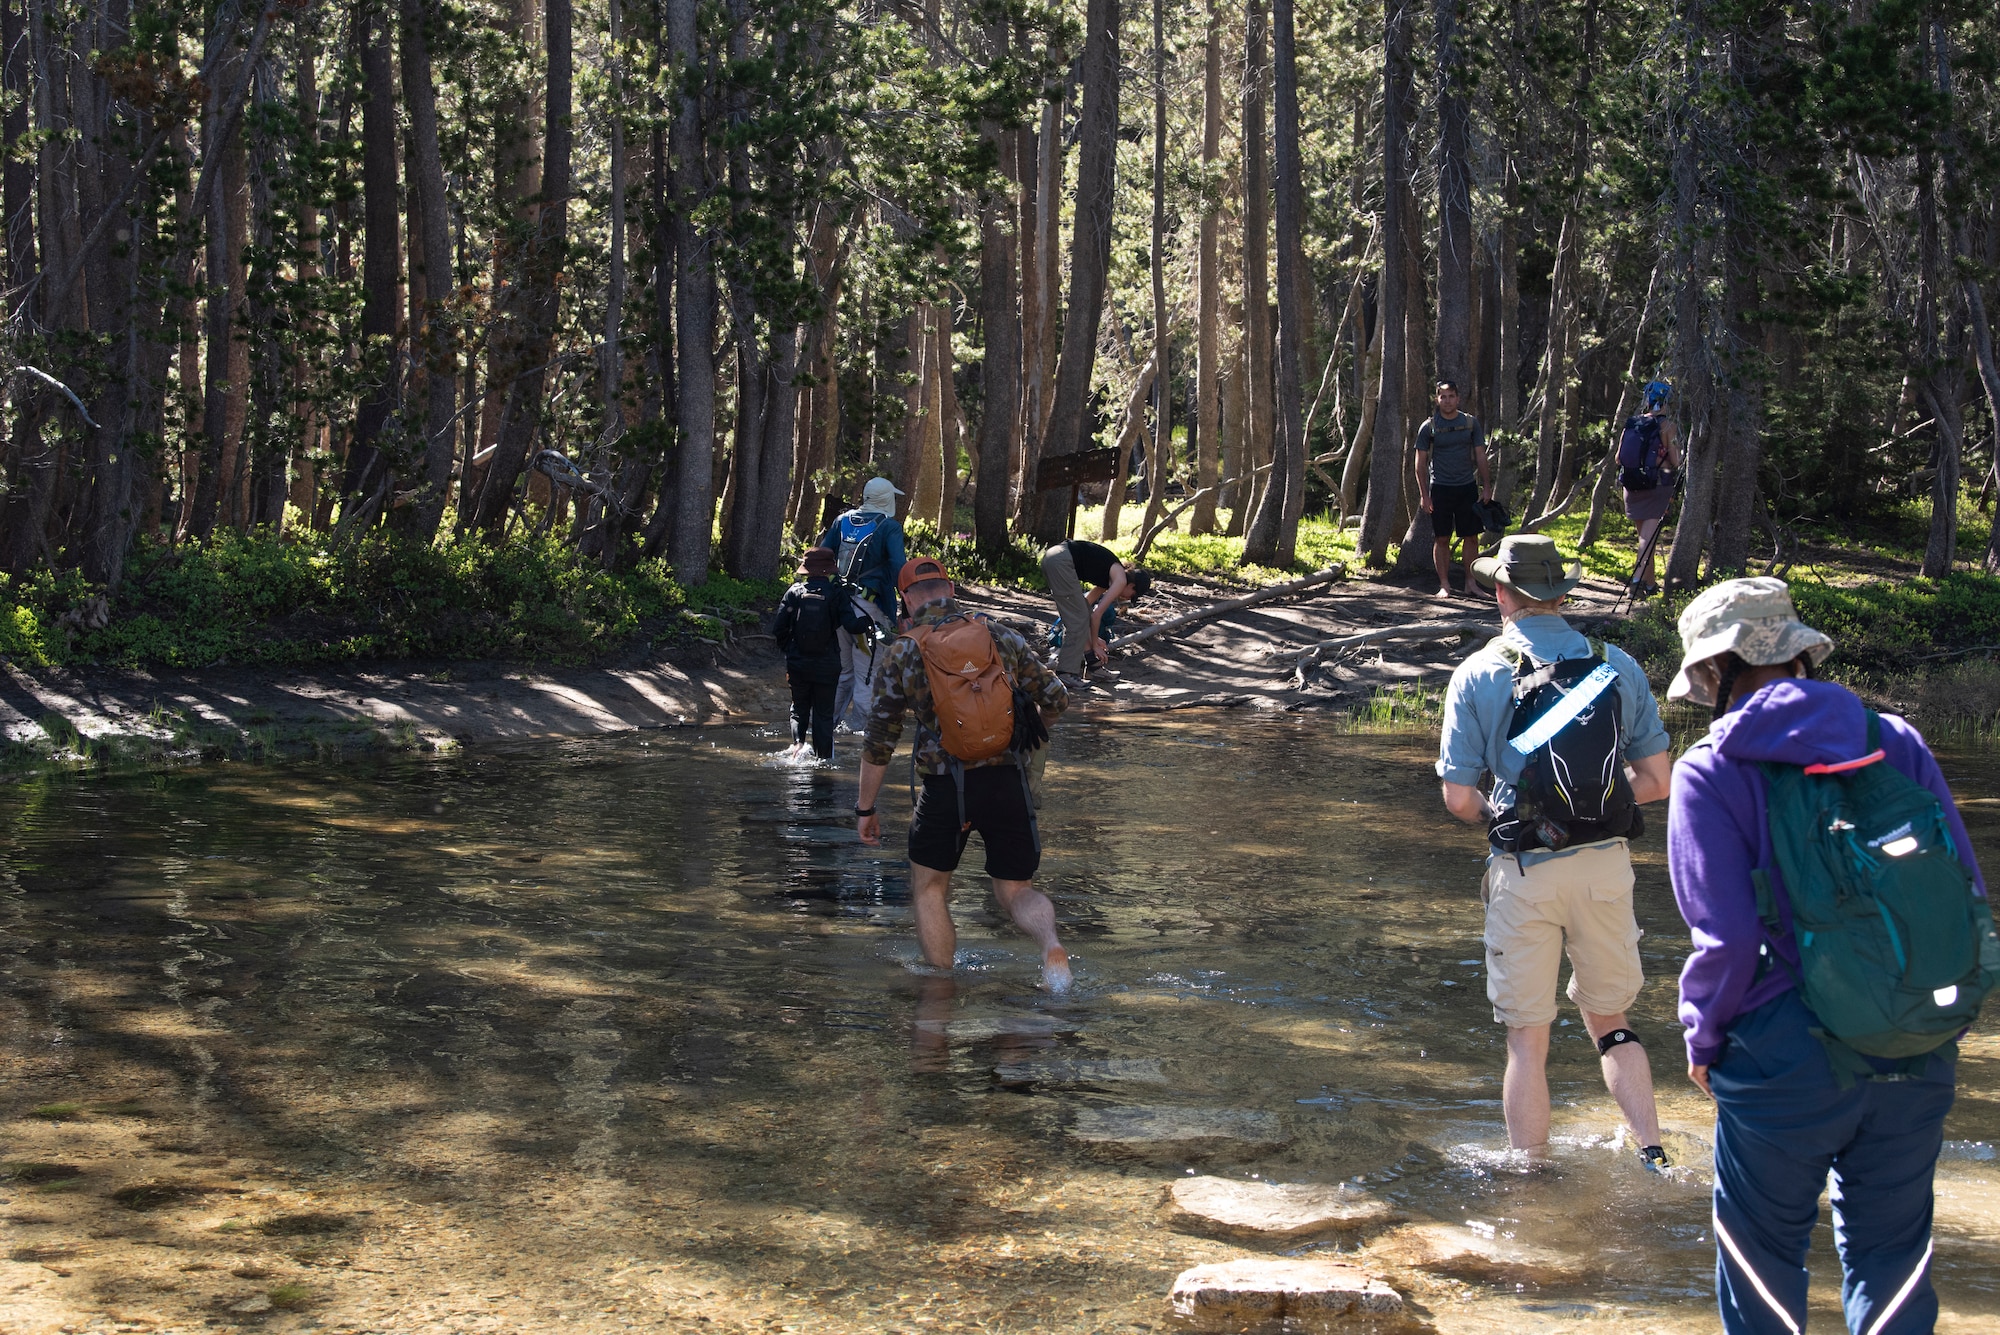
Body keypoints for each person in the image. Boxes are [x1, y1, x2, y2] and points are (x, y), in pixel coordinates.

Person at [1665, 578, 1991, 1335]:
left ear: (1713, 673)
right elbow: (1963, 889)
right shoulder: (1897, 739)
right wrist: (1948, 1014)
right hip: (1914, 1036)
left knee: (1763, 1265)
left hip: (1782, 1050)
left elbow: (1728, 940)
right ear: (1800, 654)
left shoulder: (1710, 770)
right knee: (1894, 1256)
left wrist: (1704, 1038)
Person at [1435, 533, 1674, 1164]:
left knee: (1526, 1040)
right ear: (1562, 593)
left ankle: (1530, 1183)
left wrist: (1518, 819)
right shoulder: (1617, 665)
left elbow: (1459, 800)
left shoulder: (1479, 672)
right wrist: (1588, 811)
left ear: (1501, 592)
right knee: (1612, 1021)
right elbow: (1656, 782)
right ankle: (1653, 1156)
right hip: (1604, 869)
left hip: (1525, 871)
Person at [856, 556, 1075, 991]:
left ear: (906, 601)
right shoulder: (998, 635)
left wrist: (865, 807)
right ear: (951, 589)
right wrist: (1026, 735)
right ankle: (1051, 945)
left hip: (944, 788)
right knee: (1015, 890)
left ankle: (939, 992)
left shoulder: (904, 650)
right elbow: (1056, 698)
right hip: (1008, 781)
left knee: (930, 889)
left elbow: (881, 737)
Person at [818, 477, 908, 730]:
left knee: (843, 673)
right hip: (869, 611)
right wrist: (906, 606)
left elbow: (823, 557)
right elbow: (899, 568)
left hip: (839, 608)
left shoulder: (841, 520)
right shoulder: (890, 527)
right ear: (887, 499)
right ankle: (859, 740)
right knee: (867, 674)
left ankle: (824, 728)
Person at [771, 547, 869, 762]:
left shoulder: (794, 592)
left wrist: (791, 650)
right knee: (824, 714)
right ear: (829, 570)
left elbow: (778, 629)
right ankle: (823, 761)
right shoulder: (836, 593)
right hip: (828, 664)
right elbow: (852, 626)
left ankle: (797, 747)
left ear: (806, 569)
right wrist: (868, 622)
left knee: (799, 708)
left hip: (798, 663)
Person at [1415, 379, 1495, 599]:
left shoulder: (1470, 423)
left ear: (1458, 398)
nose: (1447, 401)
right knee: (1442, 538)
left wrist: (1487, 487)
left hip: (1467, 487)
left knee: (1471, 537)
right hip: (1440, 488)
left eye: (1451, 396)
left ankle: (1471, 583)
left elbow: (1480, 455)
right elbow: (1420, 463)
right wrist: (1424, 495)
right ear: (1437, 399)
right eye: (1443, 396)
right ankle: (1444, 585)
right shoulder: (1429, 426)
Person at [1039, 538, 1153, 682]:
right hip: (1061, 560)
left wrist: (1093, 637)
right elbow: (1097, 615)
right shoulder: (1121, 580)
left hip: (1054, 556)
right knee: (1078, 619)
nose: (1127, 598)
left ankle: (1094, 667)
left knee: (1081, 614)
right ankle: (1066, 674)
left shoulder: (1110, 576)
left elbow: (1087, 605)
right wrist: (1094, 645)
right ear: (1131, 585)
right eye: (1132, 595)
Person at [1619, 381, 1679, 598]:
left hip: (1632, 485)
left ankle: (1650, 584)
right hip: (1658, 484)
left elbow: (1619, 458)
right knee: (1648, 539)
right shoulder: (1667, 426)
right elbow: (1676, 460)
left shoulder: (1633, 423)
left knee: (1646, 539)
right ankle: (1636, 582)